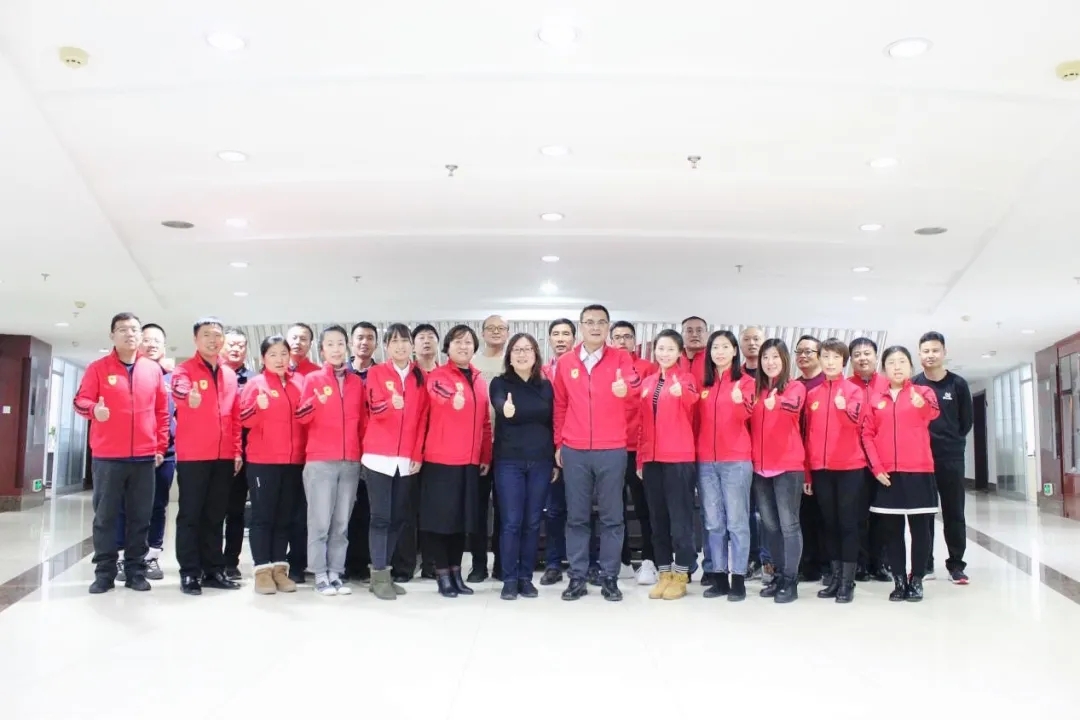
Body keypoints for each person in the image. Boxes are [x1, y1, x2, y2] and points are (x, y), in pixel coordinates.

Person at [552, 304, 642, 602]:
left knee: (612, 517)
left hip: (612, 449)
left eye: (601, 322)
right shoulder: (566, 361)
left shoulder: (620, 358)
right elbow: (560, 405)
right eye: (589, 322)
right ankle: (577, 576)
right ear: (581, 326)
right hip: (575, 449)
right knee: (577, 517)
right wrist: (559, 443)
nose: (595, 327)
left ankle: (609, 577)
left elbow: (635, 385)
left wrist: (626, 389)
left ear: (608, 327)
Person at [75, 313, 169, 594]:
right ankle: (104, 573)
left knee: (140, 518)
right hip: (108, 457)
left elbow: (162, 412)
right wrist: (95, 410)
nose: (130, 334)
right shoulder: (98, 368)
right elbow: (80, 400)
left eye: (135, 330)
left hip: (144, 458)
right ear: (112, 335)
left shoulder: (152, 370)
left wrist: (159, 446)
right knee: (105, 518)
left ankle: (135, 572)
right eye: (123, 329)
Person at [862, 346, 941, 602]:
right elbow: (867, 434)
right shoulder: (875, 399)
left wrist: (921, 405)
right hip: (887, 475)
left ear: (911, 366)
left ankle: (916, 579)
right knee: (892, 532)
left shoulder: (923, 392)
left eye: (902, 361)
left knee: (920, 531)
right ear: (884, 368)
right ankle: (898, 580)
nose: (897, 367)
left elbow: (932, 413)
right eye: (892, 362)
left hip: (919, 471)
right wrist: (876, 467)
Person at [171, 318, 244, 595]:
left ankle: (214, 569)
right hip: (194, 456)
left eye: (217, 335)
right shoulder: (184, 370)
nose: (213, 340)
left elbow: (235, 416)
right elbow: (179, 389)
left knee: (216, 515)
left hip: (223, 456)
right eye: (206, 335)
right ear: (195, 340)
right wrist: (186, 396)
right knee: (191, 515)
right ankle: (190, 572)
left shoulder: (229, 374)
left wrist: (237, 450)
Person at [420, 325, 492, 598]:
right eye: (458, 342)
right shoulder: (438, 376)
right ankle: (442, 575)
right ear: (447, 347)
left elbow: (485, 422)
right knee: (442, 522)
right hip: (441, 460)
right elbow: (439, 395)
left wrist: (485, 455)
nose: (464, 346)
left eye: (468, 342)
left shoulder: (479, 379)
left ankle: (456, 573)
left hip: (469, 462)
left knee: (462, 522)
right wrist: (454, 399)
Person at [296, 325, 366, 596]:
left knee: (341, 523)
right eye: (330, 344)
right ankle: (319, 574)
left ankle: (336, 572)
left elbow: (362, 422)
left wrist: (361, 455)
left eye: (340, 344)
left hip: (350, 461)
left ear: (346, 347)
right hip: (320, 460)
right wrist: (315, 402)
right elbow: (301, 417)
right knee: (320, 522)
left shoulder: (356, 383)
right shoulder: (313, 379)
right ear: (322, 350)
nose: (336, 349)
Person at [362, 324, 429, 600]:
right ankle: (378, 575)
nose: (400, 346)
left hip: (406, 459)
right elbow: (373, 406)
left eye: (404, 341)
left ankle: (384, 574)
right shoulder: (376, 373)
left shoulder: (420, 376)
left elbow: (423, 419)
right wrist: (392, 404)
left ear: (412, 345)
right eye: (394, 341)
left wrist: (417, 455)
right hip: (378, 457)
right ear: (386, 346)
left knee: (399, 518)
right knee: (380, 518)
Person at [489, 333, 555, 600]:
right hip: (509, 461)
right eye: (517, 349)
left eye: (527, 349)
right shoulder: (500, 383)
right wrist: (504, 408)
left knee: (532, 522)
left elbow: (553, 422)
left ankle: (526, 577)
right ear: (509, 356)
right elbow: (498, 402)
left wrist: (555, 460)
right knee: (511, 521)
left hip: (541, 461)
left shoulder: (546, 386)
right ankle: (509, 578)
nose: (522, 354)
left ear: (536, 355)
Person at [635, 330, 699, 601]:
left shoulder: (687, 380)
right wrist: (640, 458)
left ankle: (682, 574)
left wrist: (681, 393)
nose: (664, 353)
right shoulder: (648, 382)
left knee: (680, 521)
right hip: (652, 460)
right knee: (657, 520)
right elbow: (642, 424)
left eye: (670, 349)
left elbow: (693, 402)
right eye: (660, 348)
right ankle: (664, 574)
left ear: (679, 352)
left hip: (678, 460)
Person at [239, 335, 305, 595]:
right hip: (263, 462)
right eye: (273, 354)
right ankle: (262, 570)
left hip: (293, 461)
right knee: (263, 517)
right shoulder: (255, 384)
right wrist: (257, 407)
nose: (280, 359)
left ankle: (279, 568)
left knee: (284, 518)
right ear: (263, 358)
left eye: (283, 354)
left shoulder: (299, 383)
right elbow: (244, 420)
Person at [805, 338, 866, 604]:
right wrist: (808, 473)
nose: (830, 362)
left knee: (847, 524)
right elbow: (808, 436)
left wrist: (842, 409)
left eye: (836, 357)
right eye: (826, 357)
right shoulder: (812, 395)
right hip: (821, 469)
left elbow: (855, 423)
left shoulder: (854, 391)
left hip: (850, 468)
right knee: (828, 524)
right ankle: (835, 576)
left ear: (844, 361)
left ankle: (847, 582)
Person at [695, 329, 755, 601]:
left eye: (725, 347)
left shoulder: (746, 382)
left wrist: (739, 403)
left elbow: (748, 416)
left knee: (737, 522)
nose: (719, 352)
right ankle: (718, 577)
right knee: (713, 522)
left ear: (734, 351)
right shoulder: (704, 385)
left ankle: (738, 578)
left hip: (736, 461)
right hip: (706, 462)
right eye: (715, 347)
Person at [113, 322, 175, 583]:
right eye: (146, 340)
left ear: (164, 346)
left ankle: (151, 556)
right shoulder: (128, 372)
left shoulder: (174, 377)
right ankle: (122, 556)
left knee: (157, 505)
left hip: (165, 452)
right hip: (131, 452)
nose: (151, 345)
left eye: (157, 341)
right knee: (124, 505)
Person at [913, 331, 973, 584]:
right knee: (924, 513)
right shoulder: (914, 384)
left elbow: (966, 422)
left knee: (954, 511)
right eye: (926, 351)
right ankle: (926, 564)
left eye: (935, 350)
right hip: (921, 459)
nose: (931, 355)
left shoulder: (957, 384)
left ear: (944, 353)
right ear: (919, 354)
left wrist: (951, 441)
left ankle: (956, 564)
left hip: (951, 457)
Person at [750, 338, 807, 603]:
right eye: (765, 357)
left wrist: (779, 404)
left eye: (775, 357)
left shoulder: (795, 387)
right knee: (770, 526)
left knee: (789, 525)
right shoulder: (756, 390)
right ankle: (778, 575)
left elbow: (794, 407)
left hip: (788, 467)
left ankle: (790, 580)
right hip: (760, 468)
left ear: (784, 360)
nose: (770, 362)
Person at [611, 321, 658, 585]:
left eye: (627, 337)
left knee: (644, 507)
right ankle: (623, 560)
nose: (622, 341)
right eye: (617, 337)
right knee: (614, 508)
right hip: (612, 447)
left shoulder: (648, 368)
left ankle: (650, 560)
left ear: (635, 341)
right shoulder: (605, 366)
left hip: (640, 448)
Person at [468, 314, 508, 583]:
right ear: (482, 333)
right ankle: (478, 564)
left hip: (506, 447)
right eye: (490, 328)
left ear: (507, 333)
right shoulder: (472, 363)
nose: (495, 332)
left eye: (501, 328)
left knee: (505, 509)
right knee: (478, 510)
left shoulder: (513, 362)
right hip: (476, 446)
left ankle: (502, 562)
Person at [848, 337, 890, 582]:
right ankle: (861, 564)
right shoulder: (845, 386)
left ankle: (880, 563)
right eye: (857, 354)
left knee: (883, 515)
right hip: (855, 461)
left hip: (884, 462)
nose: (862, 358)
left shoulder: (887, 384)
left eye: (867, 353)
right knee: (858, 515)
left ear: (876, 356)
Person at [401, 323, 440, 580]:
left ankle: (430, 562)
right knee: (406, 509)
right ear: (413, 346)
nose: (426, 341)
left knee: (432, 509)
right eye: (421, 338)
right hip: (408, 451)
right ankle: (405, 565)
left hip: (437, 452)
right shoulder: (407, 375)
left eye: (430, 337)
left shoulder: (444, 374)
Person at [539, 317, 576, 585]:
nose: (561, 338)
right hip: (549, 448)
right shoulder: (541, 372)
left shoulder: (581, 369)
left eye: (566, 333)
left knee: (581, 510)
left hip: (577, 446)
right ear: (549, 339)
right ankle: (553, 563)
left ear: (574, 338)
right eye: (556, 334)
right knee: (553, 510)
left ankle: (583, 562)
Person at [344, 321, 378, 583]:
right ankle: (343, 564)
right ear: (351, 343)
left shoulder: (381, 374)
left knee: (367, 510)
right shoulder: (340, 374)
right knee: (344, 511)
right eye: (359, 337)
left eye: (369, 338)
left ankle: (364, 562)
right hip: (344, 451)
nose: (364, 342)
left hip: (373, 453)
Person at [285, 322, 319, 583]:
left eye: (304, 338)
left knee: (303, 513)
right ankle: (276, 562)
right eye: (294, 338)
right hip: (277, 456)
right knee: (280, 512)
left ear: (311, 344)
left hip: (309, 454)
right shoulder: (274, 371)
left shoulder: (316, 374)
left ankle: (298, 562)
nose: (298, 342)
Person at [794, 334, 827, 584]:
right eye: (800, 352)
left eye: (809, 351)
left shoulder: (828, 383)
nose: (804, 356)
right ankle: (808, 564)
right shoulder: (792, 385)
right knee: (802, 515)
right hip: (796, 459)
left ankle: (828, 565)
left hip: (823, 459)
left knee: (825, 515)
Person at [221, 327, 252, 580]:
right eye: (231, 344)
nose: (236, 349)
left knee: (236, 511)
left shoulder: (253, 379)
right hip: (215, 452)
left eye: (241, 345)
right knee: (211, 511)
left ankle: (231, 561)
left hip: (245, 455)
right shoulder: (214, 374)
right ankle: (209, 561)